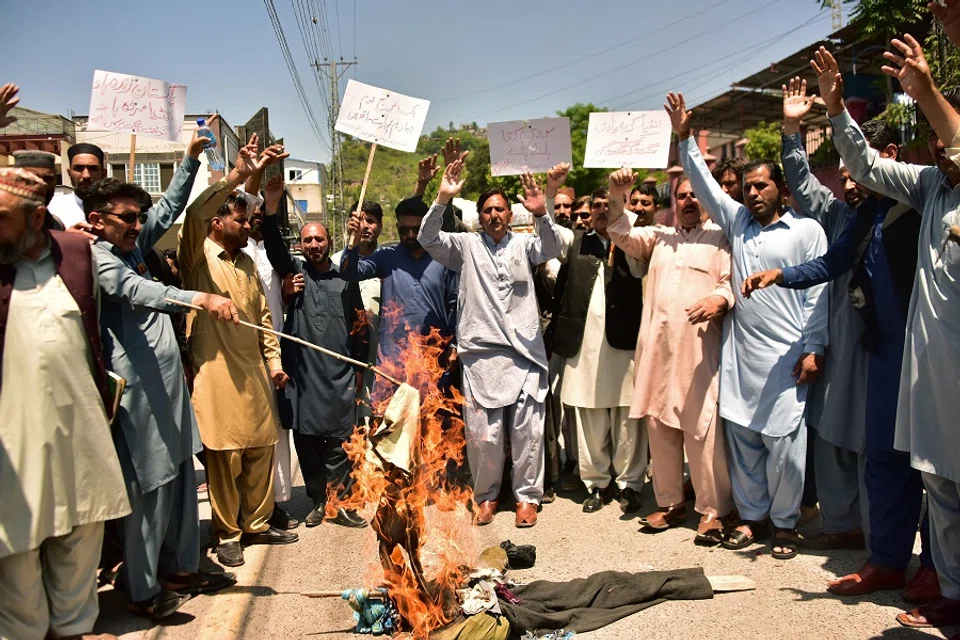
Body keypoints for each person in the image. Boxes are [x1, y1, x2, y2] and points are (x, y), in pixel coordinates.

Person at [744, 80, 940, 603]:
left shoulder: (923, 202)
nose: (853, 178)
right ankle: (889, 562)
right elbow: (832, 261)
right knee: (883, 460)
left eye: (862, 167)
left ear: (890, 158)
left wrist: (831, 110)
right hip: (883, 354)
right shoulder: (862, 215)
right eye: (847, 172)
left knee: (937, 472)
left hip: (927, 356)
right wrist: (780, 276)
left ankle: (941, 571)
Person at [813, 41, 960, 628]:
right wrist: (834, 113)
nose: (945, 149)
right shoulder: (930, 188)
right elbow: (868, 166)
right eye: (940, 141)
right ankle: (950, 588)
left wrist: (925, 90)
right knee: (939, 479)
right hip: (930, 366)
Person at [669, 91, 829, 560]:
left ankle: (786, 523)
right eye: (749, 188)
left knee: (785, 448)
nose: (754, 193)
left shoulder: (807, 231)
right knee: (744, 442)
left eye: (762, 186)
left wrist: (815, 345)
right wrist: (684, 138)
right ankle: (754, 519)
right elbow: (703, 182)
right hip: (742, 358)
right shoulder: (738, 222)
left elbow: (819, 293)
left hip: (788, 359)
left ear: (780, 187)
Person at [83, 172, 240, 618]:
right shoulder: (98, 260)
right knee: (149, 492)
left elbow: (169, 209)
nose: (137, 225)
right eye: (127, 217)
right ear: (97, 220)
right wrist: (199, 299)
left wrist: (190, 162)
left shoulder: (132, 249)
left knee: (183, 485)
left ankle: (180, 568)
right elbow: (141, 290)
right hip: (139, 398)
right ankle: (142, 588)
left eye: (139, 217)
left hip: (170, 391)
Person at [0, 168, 130, 640]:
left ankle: (74, 629)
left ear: (37, 218)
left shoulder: (76, 253)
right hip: (10, 437)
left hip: (78, 423)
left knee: (82, 529)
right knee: (15, 545)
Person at [419, 159, 563, 528]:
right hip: (481, 358)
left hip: (524, 356)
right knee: (485, 437)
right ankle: (486, 497)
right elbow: (427, 239)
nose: (494, 215)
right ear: (479, 217)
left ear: (510, 214)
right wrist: (442, 198)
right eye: (487, 210)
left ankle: (527, 498)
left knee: (527, 433)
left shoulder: (525, 243)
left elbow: (552, 246)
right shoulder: (465, 246)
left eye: (500, 209)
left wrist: (542, 212)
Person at [178, 135, 297, 568]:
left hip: (255, 374)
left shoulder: (247, 263)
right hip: (215, 376)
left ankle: (257, 524)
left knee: (260, 449)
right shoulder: (198, 256)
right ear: (217, 223)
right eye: (241, 221)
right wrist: (240, 174)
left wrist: (275, 363)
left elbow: (264, 318)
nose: (249, 227)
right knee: (224, 455)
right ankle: (227, 532)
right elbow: (194, 212)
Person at [607, 169, 735, 544]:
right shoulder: (659, 237)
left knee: (702, 431)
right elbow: (620, 232)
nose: (689, 201)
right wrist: (619, 194)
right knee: (660, 428)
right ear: (673, 203)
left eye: (696, 195)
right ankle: (670, 503)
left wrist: (718, 299)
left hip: (698, 353)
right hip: (657, 353)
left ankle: (712, 510)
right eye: (682, 196)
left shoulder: (721, 238)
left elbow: (730, 283)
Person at [263, 179, 368, 529]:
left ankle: (340, 503)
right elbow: (275, 250)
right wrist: (271, 205)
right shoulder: (294, 276)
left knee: (341, 446)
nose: (313, 245)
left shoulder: (346, 278)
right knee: (307, 445)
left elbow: (359, 325)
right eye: (307, 240)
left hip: (339, 379)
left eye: (319, 239)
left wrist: (360, 369)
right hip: (304, 381)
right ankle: (318, 501)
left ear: (329, 243)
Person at [549, 178, 648, 514]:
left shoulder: (632, 242)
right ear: (589, 212)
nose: (602, 211)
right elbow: (548, 234)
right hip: (586, 349)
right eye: (597, 205)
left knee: (628, 419)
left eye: (609, 204)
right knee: (589, 417)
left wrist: (622, 221)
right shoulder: (575, 241)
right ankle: (596, 484)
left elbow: (637, 267)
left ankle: (630, 484)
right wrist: (548, 196)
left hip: (624, 344)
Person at [341, 195, 458, 401]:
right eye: (404, 230)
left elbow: (454, 306)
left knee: (435, 428)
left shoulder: (443, 258)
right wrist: (353, 243)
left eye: (417, 229)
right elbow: (351, 273)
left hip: (434, 360)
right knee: (393, 430)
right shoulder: (388, 257)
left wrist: (454, 345)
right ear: (397, 227)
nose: (411, 235)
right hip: (392, 364)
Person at [241, 171, 299, 532]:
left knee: (277, 431)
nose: (255, 221)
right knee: (248, 431)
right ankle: (246, 504)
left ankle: (275, 502)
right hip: (241, 355)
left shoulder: (274, 255)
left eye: (262, 217)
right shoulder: (233, 253)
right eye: (251, 216)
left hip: (274, 351)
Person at [333, 200, 383, 419]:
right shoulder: (335, 263)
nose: (365, 226)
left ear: (380, 226)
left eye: (370, 221)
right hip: (344, 364)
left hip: (381, 364)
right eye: (359, 220)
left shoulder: (389, 262)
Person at [48, 142, 105, 229]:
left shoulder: (118, 208)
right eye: (78, 168)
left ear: (104, 173)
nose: (86, 175)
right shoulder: (52, 208)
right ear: (69, 173)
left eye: (93, 168)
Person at [12, 150, 65, 231]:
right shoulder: (4, 224)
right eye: (32, 179)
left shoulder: (56, 225)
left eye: (48, 179)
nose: (42, 185)